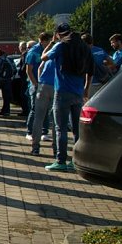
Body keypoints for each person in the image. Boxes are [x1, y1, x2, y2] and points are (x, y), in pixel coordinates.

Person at [42, 23, 92, 171]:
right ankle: (76, 161)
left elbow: (43, 57)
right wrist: (86, 90)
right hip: (78, 92)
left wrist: (52, 42)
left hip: (62, 91)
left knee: (61, 128)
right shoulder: (83, 46)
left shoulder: (60, 46)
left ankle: (61, 160)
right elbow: (91, 69)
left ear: (58, 34)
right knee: (77, 129)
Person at [25, 33, 51, 142]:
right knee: (35, 109)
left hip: (46, 84)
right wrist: (35, 84)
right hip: (35, 84)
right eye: (49, 41)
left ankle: (44, 132)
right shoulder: (33, 52)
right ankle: (29, 132)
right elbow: (28, 70)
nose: (50, 44)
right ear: (43, 41)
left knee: (46, 109)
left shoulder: (49, 51)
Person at [0, 48, 15, 115]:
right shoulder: (7, 60)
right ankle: (6, 110)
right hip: (6, 81)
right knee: (6, 96)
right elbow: (13, 69)